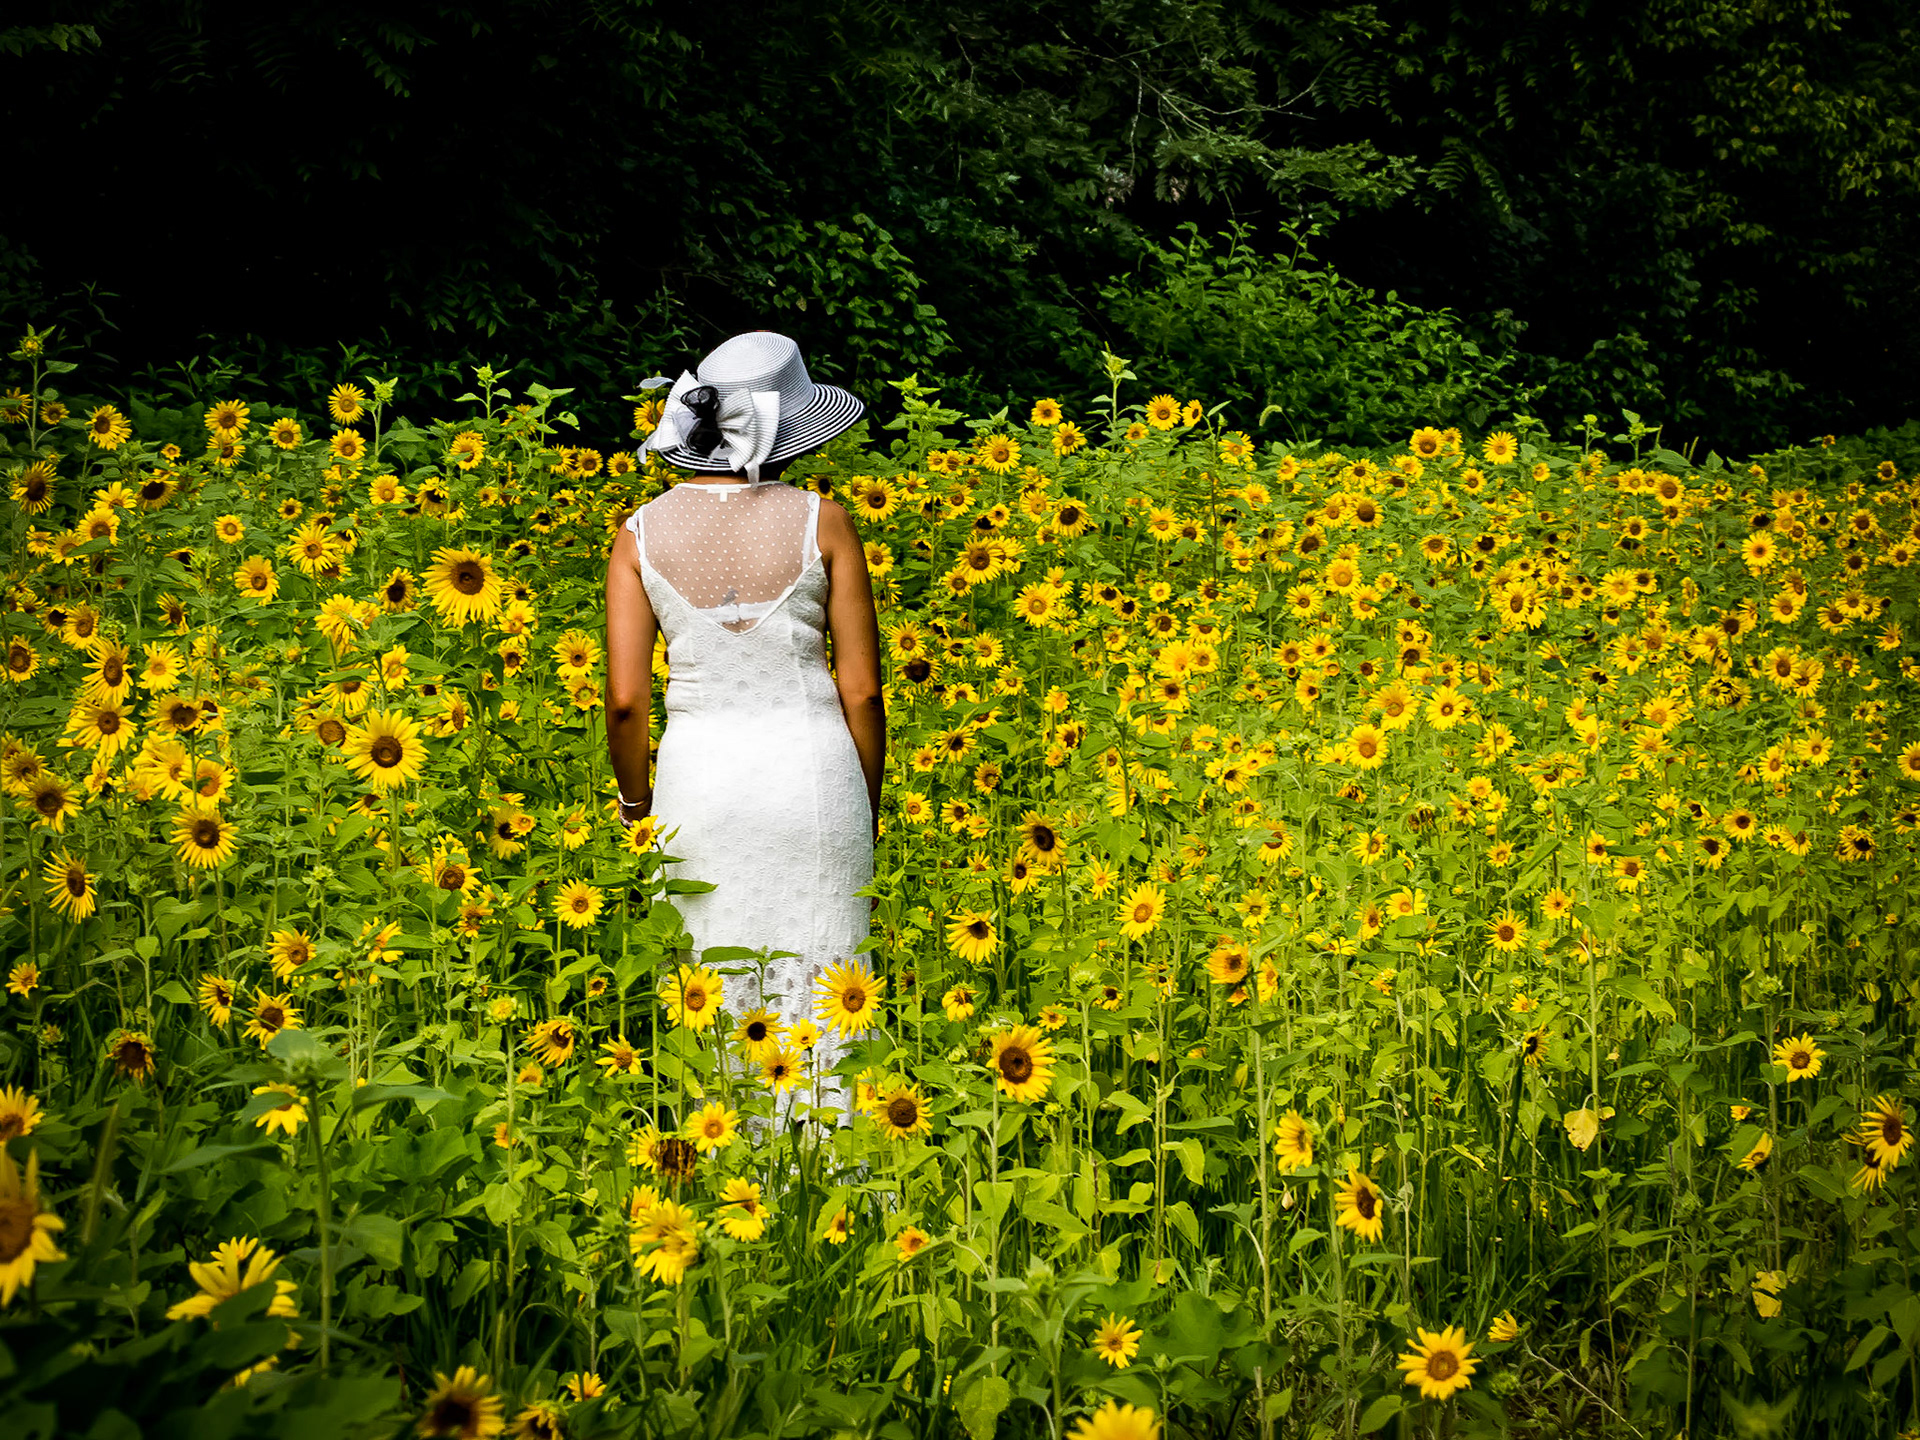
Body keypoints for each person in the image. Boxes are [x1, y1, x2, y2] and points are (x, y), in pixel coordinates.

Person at [603, 331, 884, 1114]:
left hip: (699, 785)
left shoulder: (638, 534)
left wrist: (635, 808)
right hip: (814, 779)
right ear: (786, 431)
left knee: (710, 995)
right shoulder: (823, 523)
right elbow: (861, 692)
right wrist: (863, 805)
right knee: (829, 995)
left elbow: (626, 701)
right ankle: (837, 1193)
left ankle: (733, 1199)